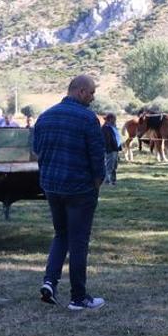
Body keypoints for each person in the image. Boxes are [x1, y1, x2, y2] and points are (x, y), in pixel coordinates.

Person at [32, 75, 107, 310]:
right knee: (78, 241)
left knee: (60, 234)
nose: (93, 98)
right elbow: (97, 156)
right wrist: (97, 182)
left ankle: (50, 282)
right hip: (80, 189)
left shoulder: (45, 117)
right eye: (92, 93)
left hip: (52, 187)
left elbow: (37, 151)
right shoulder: (88, 119)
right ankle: (78, 297)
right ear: (81, 91)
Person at [102, 113, 122, 185]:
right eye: (114, 119)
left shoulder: (113, 127)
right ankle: (107, 180)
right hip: (110, 150)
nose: (115, 120)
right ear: (110, 119)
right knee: (109, 165)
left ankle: (113, 180)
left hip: (115, 149)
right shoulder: (106, 128)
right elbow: (107, 140)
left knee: (114, 166)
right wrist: (108, 149)